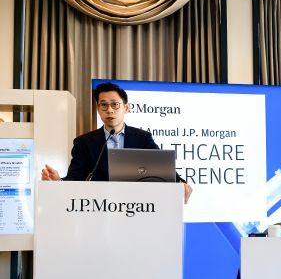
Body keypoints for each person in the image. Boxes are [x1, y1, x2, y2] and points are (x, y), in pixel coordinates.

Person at [41, 82, 192, 203]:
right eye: (104, 105)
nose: (109, 110)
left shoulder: (142, 138)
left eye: (115, 104)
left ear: (126, 108)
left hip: (137, 207)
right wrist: (59, 182)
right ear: (98, 109)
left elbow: (161, 166)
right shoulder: (84, 143)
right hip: (98, 209)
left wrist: (179, 182)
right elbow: (75, 178)